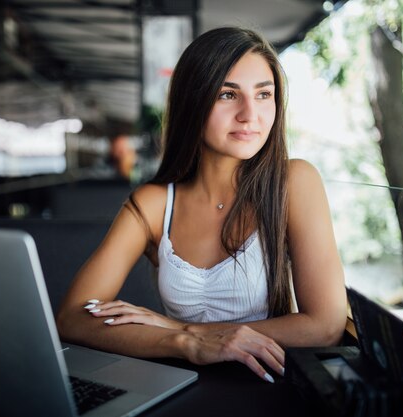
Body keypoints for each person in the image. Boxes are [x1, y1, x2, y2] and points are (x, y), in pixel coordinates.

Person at [57, 27, 347, 383]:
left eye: (264, 94)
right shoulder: (153, 204)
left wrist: (183, 327)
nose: (249, 114)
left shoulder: (293, 182)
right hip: (180, 385)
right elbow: (72, 317)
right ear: (193, 101)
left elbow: (325, 326)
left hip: (266, 386)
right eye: (228, 94)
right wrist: (186, 342)